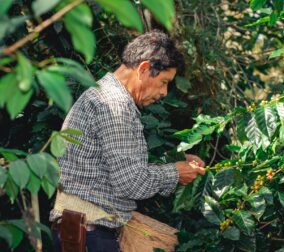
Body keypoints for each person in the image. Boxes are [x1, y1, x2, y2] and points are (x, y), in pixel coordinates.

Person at [50, 30, 206, 251]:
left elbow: (117, 166)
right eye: (163, 82)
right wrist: (176, 173)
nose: (164, 92)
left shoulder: (104, 94)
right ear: (143, 69)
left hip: (81, 230)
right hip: (90, 235)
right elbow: (131, 182)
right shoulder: (116, 105)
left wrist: (177, 161)